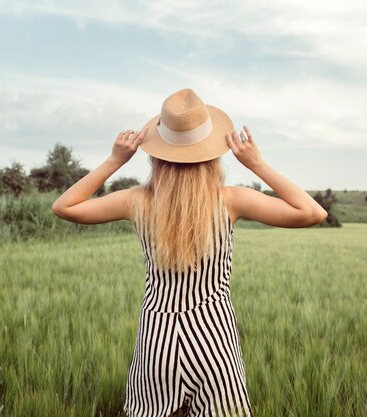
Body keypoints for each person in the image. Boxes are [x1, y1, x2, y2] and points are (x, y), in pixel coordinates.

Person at [52, 88, 327, 417]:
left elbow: (64, 207)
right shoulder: (232, 199)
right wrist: (257, 165)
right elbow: (313, 213)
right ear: (213, 154)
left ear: (156, 153)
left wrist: (115, 160)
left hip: (158, 337)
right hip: (213, 336)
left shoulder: (137, 200)